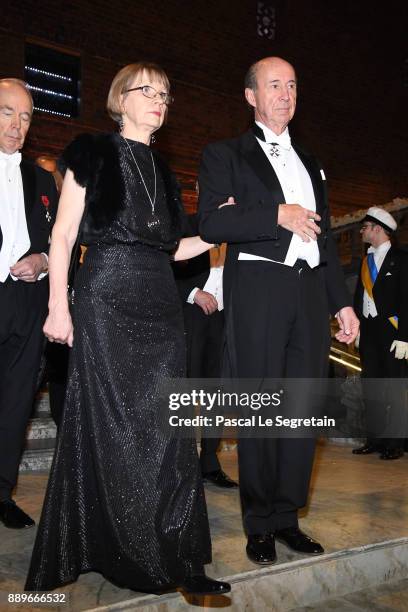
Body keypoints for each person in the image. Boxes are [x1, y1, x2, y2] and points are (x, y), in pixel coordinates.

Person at [25, 62, 230, 597]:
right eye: (149, 91)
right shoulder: (90, 151)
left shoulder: (163, 170)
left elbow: (174, 247)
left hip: (161, 304)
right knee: (115, 429)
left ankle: (180, 554)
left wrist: (220, 228)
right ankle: (129, 554)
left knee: (169, 430)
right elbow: (65, 236)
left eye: (166, 93)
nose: (160, 100)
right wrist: (58, 307)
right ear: (121, 98)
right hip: (107, 298)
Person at [198, 56, 359, 565]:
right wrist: (276, 215)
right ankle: (259, 521)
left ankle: (288, 517)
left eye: (292, 84)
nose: (286, 93)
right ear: (251, 96)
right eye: (274, 85)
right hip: (260, 291)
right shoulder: (225, 155)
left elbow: (326, 237)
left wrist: (342, 302)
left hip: (310, 293)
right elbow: (211, 224)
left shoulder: (312, 162)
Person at [0, 79, 58, 530]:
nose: (16, 125)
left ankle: (1, 493)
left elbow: (56, 242)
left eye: (24, 116)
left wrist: (41, 261)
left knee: (17, 403)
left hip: (27, 301)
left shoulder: (41, 179)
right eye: (7, 112)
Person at [174, 215, 237, 488]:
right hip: (191, 317)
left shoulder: (238, 229)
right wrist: (193, 293)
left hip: (224, 320)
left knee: (217, 393)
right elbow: (163, 268)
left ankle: (209, 462)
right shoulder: (186, 224)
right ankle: (182, 464)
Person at [353, 207, 408, 460]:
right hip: (370, 330)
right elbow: (359, 298)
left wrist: (405, 335)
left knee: (395, 388)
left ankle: (395, 442)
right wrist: (358, 327)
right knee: (371, 386)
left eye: (365, 227)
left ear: (378, 229)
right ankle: (374, 439)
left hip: (393, 331)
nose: (362, 231)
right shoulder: (366, 260)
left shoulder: (401, 258)